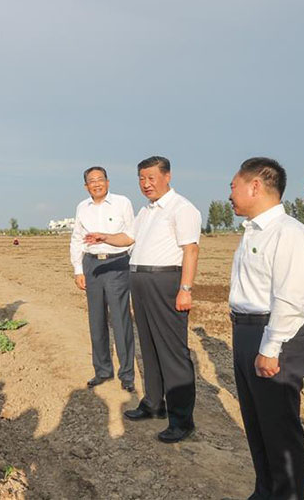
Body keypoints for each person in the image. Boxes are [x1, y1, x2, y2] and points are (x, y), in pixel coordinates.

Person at [87, 156, 201, 443]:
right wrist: (104, 237)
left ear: (167, 176)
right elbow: (128, 238)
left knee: (172, 352)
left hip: (165, 281)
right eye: (141, 178)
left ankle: (182, 420)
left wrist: (185, 288)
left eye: (151, 178)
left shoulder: (182, 208)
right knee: (149, 346)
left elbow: (191, 250)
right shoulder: (147, 211)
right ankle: (153, 404)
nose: (145, 184)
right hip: (139, 280)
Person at [228, 157, 304, 500]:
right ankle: (265, 491)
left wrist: (270, 347)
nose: (230, 194)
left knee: (280, 429)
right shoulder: (253, 230)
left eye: (233, 186)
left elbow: (290, 298)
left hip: (273, 336)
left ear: (255, 186)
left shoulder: (288, 233)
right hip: (247, 332)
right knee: (258, 425)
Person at [70, 166, 136, 392]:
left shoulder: (122, 203)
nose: (96, 184)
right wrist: (78, 269)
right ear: (86, 186)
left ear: (108, 182)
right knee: (96, 320)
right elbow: (77, 239)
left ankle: (127, 375)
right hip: (92, 265)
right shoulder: (82, 207)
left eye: (100, 179)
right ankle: (102, 370)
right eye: (91, 181)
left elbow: (132, 235)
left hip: (117, 263)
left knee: (121, 320)